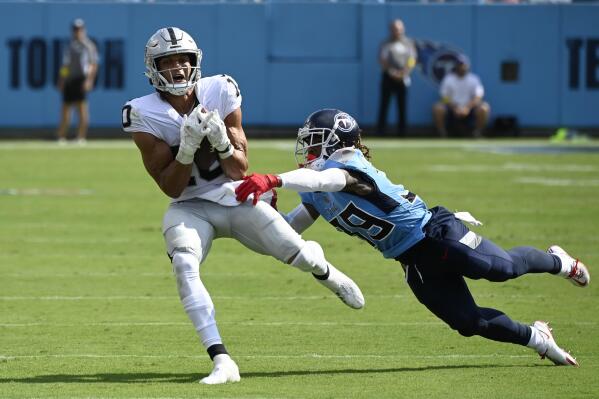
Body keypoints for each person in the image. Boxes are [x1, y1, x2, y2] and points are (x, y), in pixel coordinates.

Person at [235, 108, 590, 367]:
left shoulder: (348, 167)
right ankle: (537, 338)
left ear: (336, 143)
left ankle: (559, 261)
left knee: (502, 270)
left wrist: (276, 179)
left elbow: (332, 181)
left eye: (314, 142)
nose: (307, 150)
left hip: (435, 234)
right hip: (410, 258)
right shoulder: (313, 187)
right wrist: (268, 215)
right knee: (468, 323)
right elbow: (291, 230)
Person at [121, 28, 364, 385]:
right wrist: (186, 150)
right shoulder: (141, 113)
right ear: (152, 68)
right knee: (184, 265)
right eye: (167, 62)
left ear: (195, 62)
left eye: (182, 60)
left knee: (299, 254)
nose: (176, 68)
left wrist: (220, 142)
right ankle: (222, 361)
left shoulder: (221, 89)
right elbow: (169, 186)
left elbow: (239, 168)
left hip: (234, 197)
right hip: (190, 206)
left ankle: (325, 271)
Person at [56, 18, 98, 145]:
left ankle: (81, 137)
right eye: (75, 29)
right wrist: (61, 80)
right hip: (69, 80)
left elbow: (93, 64)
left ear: (83, 30)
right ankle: (61, 136)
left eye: (79, 29)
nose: (77, 31)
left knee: (81, 109)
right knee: (65, 109)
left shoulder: (89, 46)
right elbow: (65, 66)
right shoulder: (69, 45)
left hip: (81, 79)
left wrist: (89, 80)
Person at [376, 19, 417, 137]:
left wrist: (404, 73)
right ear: (391, 30)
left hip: (403, 77)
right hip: (388, 77)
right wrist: (391, 72)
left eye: (399, 29)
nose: (397, 32)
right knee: (384, 104)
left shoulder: (408, 43)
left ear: (403, 29)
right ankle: (381, 131)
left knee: (402, 105)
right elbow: (382, 60)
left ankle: (402, 132)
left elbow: (412, 60)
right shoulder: (386, 43)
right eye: (394, 29)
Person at [432, 56, 490, 138]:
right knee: (438, 108)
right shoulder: (449, 79)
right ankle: (442, 134)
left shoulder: (474, 79)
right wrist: (455, 108)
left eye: (463, 65)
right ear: (456, 66)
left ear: (467, 66)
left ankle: (477, 133)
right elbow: (444, 97)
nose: (462, 67)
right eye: (459, 65)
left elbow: (478, 96)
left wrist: (467, 108)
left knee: (484, 108)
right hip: (452, 109)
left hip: (470, 109)